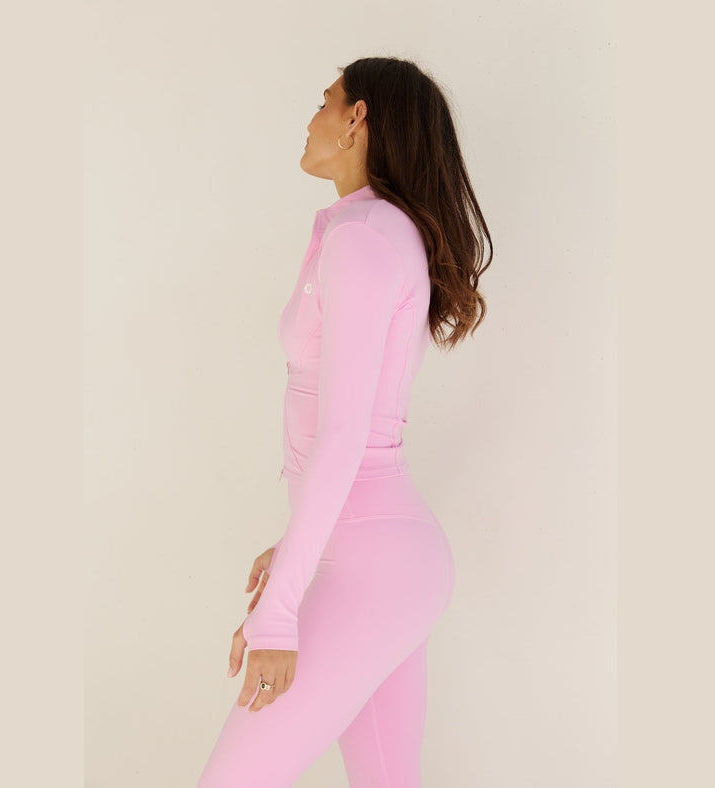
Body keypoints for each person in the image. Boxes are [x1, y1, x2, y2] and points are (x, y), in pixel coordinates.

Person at [197, 56, 493, 787]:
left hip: (372, 568)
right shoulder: (379, 231)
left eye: (323, 102)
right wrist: (297, 546)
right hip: (384, 557)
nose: (310, 120)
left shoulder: (364, 235)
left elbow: (343, 435)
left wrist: (277, 615)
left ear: (357, 118)